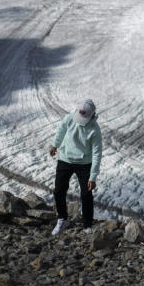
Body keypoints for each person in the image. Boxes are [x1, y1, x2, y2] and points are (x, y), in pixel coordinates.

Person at [49, 99, 103, 234]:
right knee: (59, 191)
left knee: (86, 194)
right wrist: (55, 144)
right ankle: (62, 219)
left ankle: (87, 224)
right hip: (65, 159)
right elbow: (61, 130)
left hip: (84, 163)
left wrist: (93, 177)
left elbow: (97, 153)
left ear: (92, 115)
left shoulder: (95, 130)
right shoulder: (69, 118)